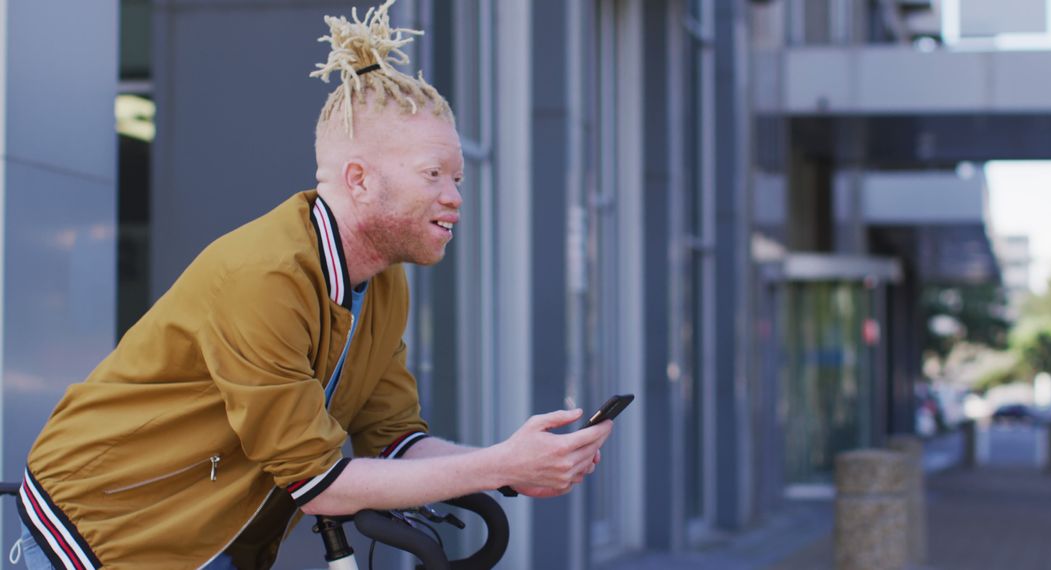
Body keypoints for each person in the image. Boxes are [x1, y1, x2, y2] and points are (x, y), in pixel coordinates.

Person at [13, 3, 612, 568]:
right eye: (434, 174)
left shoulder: (382, 283)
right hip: (104, 523)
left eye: (456, 175)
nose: (455, 195)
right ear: (359, 180)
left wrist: (513, 467)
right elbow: (319, 483)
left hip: (206, 525)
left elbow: (394, 442)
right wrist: (495, 466)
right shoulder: (265, 276)